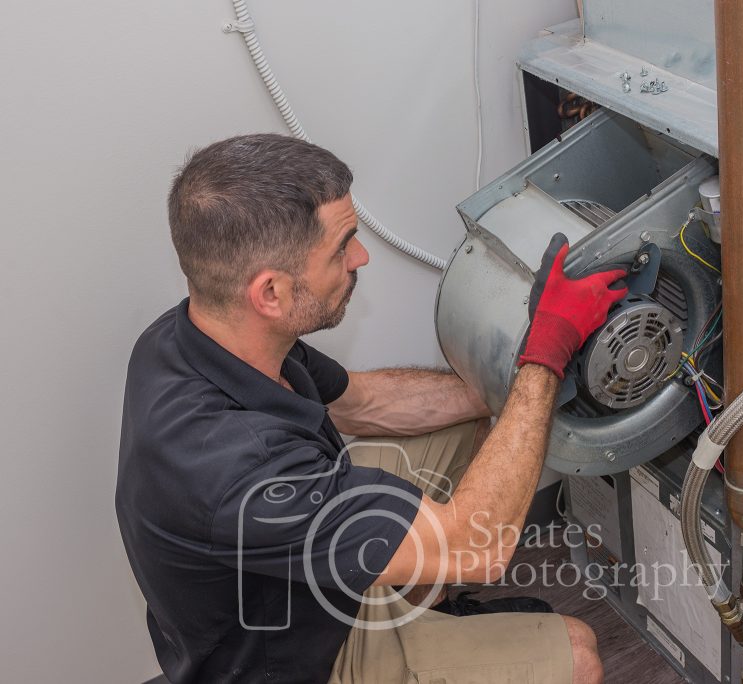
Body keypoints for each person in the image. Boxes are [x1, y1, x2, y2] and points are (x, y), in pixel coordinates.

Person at [116, 133, 627, 684]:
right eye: (342, 247)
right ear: (271, 294)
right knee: (579, 654)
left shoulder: (194, 338)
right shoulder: (237, 470)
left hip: (299, 585)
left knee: (469, 422)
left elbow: (365, 404)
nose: (361, 256)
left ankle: (425, 618)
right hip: (296, 663)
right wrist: (547, 352)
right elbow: (479, 551)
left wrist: (513, 372)